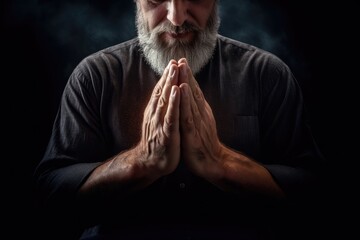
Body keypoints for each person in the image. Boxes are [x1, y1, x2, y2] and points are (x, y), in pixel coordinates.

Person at [34, 0, 325, 239]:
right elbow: (50, 197)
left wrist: (221, 163)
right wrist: (141, 163)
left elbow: (313, 198)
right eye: (157, 1)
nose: (176, 18)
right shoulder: (94, 77)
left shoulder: (267, 74)